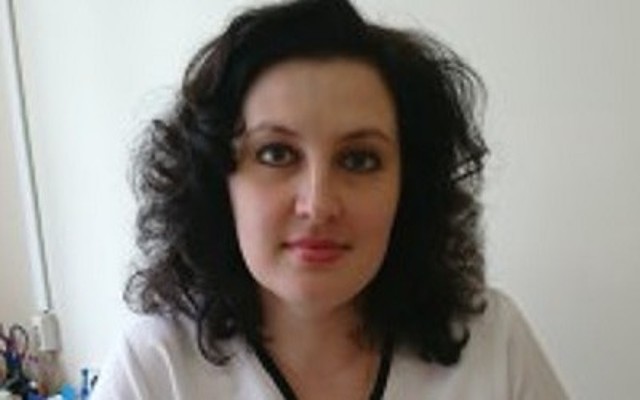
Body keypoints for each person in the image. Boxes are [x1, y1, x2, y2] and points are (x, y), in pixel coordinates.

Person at [91, 0, 567, 398]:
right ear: (218, 182)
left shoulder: (494, 345)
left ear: (409, 186)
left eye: (359, 160)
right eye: (276, 153)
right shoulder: (155, 368)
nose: (317, 205)